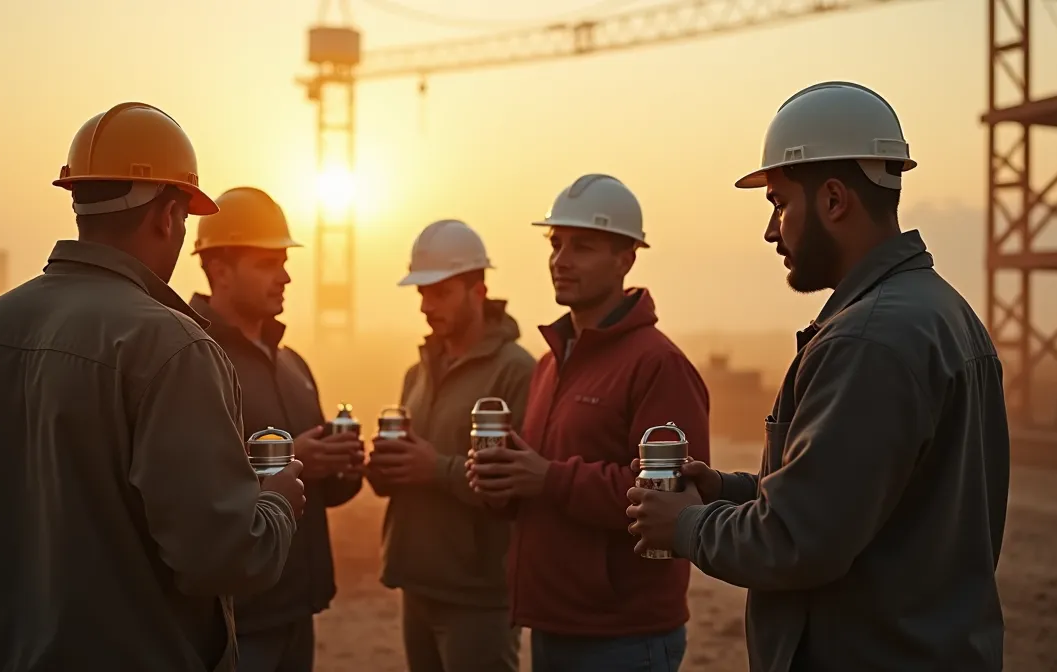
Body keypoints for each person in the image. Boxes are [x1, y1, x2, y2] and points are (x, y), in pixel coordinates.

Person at [625, 81, 1011, 671]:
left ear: (833, 199)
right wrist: (727, 491)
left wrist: (685, 525)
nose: (771, 229)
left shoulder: (868, 339)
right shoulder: (940, 311)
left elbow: (796, 542)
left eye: (779, 203)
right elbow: (857, 499)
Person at [0, 102, 306, 672]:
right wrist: (276, 504)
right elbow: (221, 556)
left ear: (80, 202)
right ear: (169, 216)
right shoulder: (173, 347)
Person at [467, 175, 710, 672]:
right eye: (556, 244)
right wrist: (504, 481)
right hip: (553, 622)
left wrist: (547, 478)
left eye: (583, 246)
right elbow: (542, 480)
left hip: (623, 636)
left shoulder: (658, 365)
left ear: (626, 259)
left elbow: (675, 500)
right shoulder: (550, 364)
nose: (561, 259)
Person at [188, 186, 365, 672]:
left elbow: (322, 494)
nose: (285, 276)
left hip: (295, 609)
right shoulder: (190, 359)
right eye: (268, 263)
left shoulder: (292, 365)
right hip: (234, 618)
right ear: (219, 269)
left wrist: (343, 465)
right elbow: (183, 489)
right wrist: (291, 461)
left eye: (284, 262)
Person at [366, 219, 536, 672]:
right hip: (416, 583)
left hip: (478, 597)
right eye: (422, 293)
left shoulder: (516, 372)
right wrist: (382, 468)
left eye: (440, 292)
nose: (426, 306)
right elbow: (408, 469)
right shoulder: (418, 372)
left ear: (478, 291)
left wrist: (435, 468)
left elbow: (518, 486)